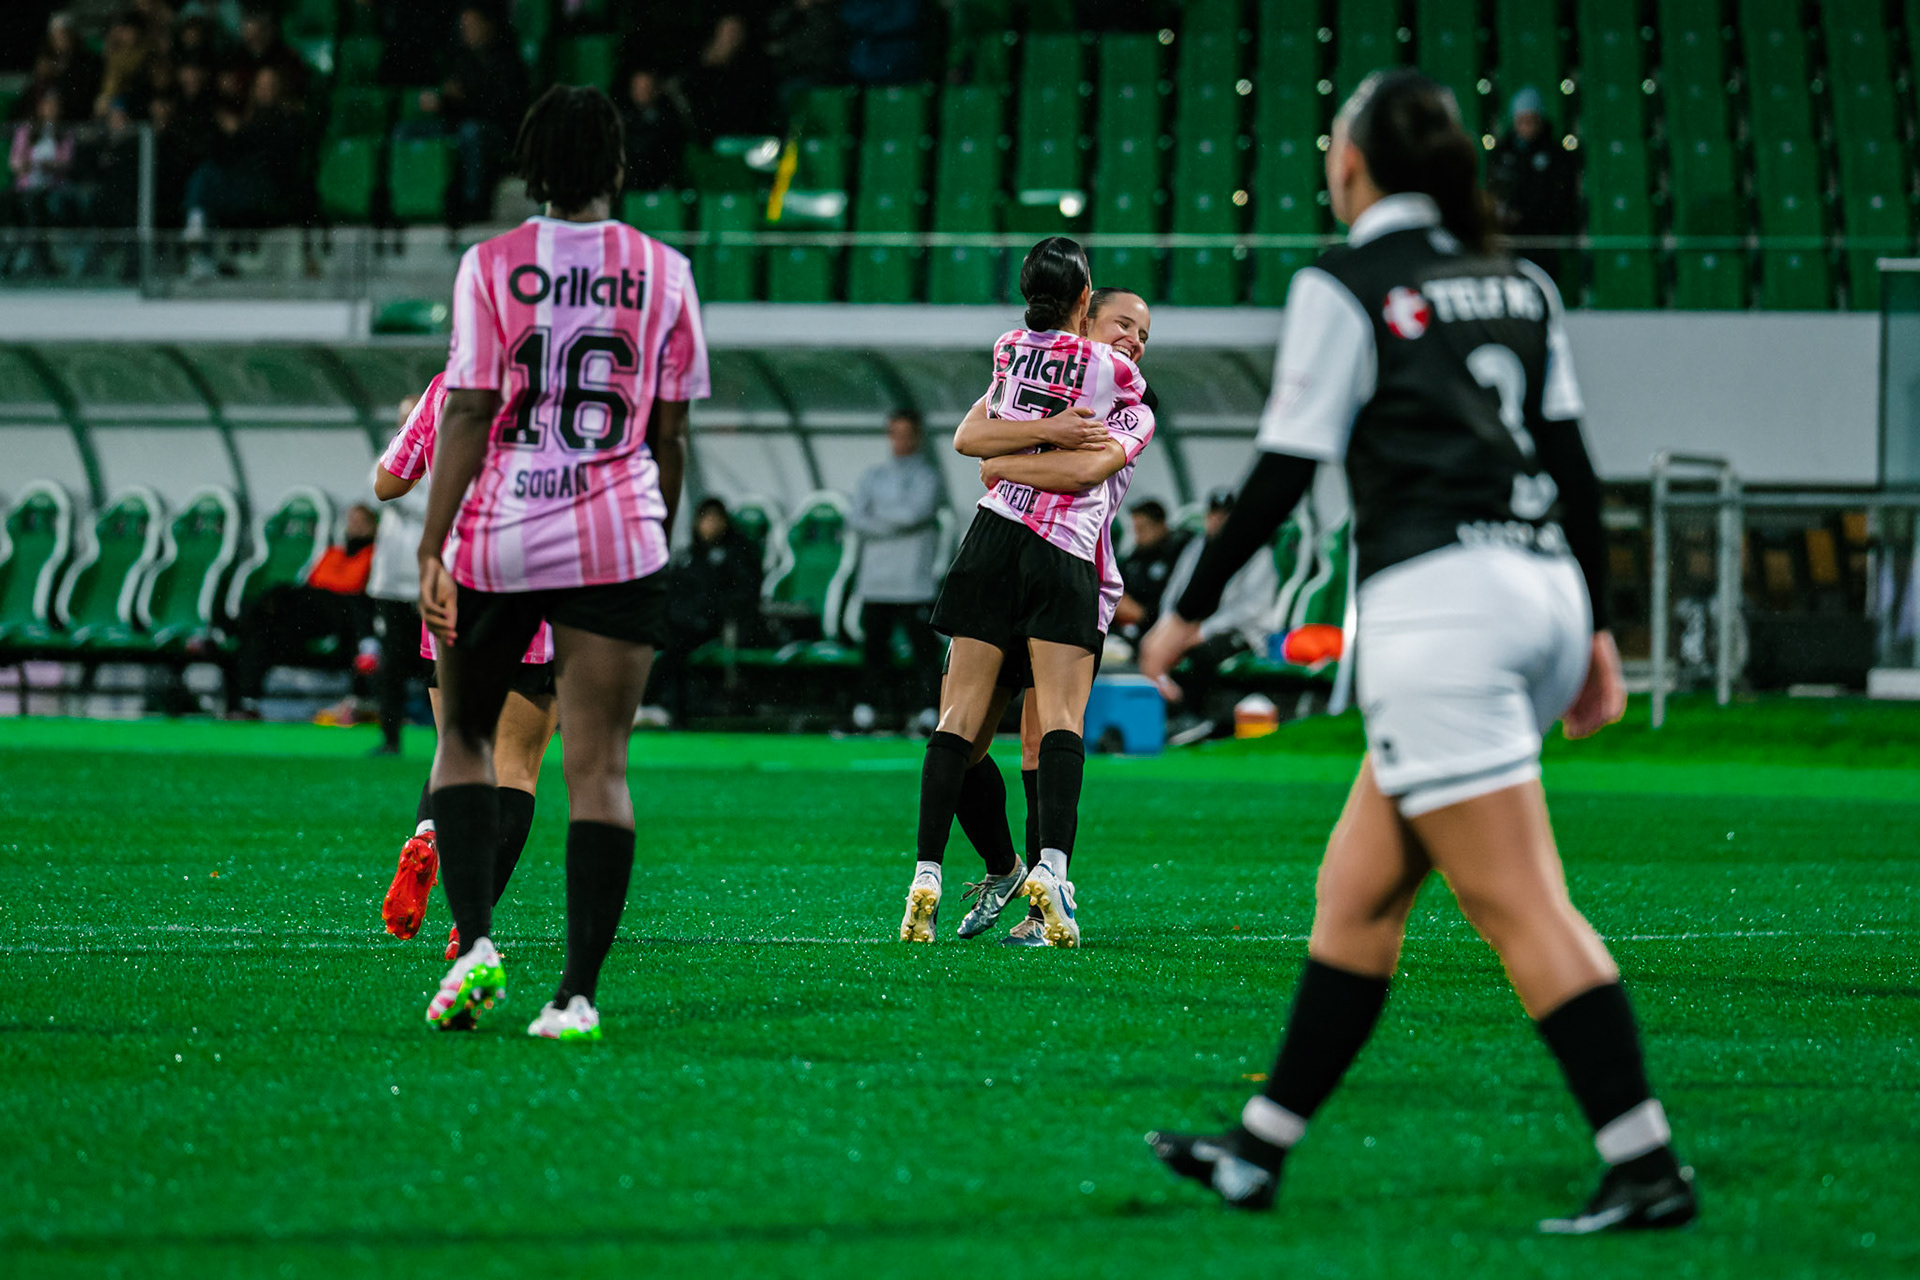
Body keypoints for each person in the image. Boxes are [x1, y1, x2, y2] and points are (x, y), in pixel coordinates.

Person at [1137, 70, 1695, 1234]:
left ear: (1354, 165)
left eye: (1334, 144)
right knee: (1356, 890)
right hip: (1535, 588)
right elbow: (1577, 471)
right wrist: (1595, 630)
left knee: (1524, 907)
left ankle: (1645, 1163)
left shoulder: (1343, 282)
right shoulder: (1522, 282)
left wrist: (1184, 608)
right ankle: (1258, 1148)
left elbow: (1287, 468)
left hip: (1444, 614)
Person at [416, 84, 709, 1042]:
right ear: (618, 166)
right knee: (600, 767)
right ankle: (576, 996)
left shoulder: (490, 265)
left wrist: (433, 542)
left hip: (502, 525)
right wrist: (653, 523)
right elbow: (671, 429)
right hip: (619, 531)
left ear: (530, 166)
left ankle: (474, 944)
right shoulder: (664, 271)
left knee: (463, 735)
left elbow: (465, 411)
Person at [897, 244, 1152, 949]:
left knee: (1038, 737)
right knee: (968, 736)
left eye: (1144, 334)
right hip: (1025, 553)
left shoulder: (1129, 400)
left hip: (1068, 567)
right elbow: (969, 436)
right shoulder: (1038, 366)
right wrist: (1026, 447)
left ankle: (1043, 908)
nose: (1133, 338)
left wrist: (1007, 462)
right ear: (1084, 311)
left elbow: (1037, 463)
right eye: (1124, 322)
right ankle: (1007, 868)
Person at [373, 374, 560, 963]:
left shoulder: (446, 385)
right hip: (539, 590)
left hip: (457, 587)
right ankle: (468, 925)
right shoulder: (565, 383)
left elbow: (387, 483)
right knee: (516, 769)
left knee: (457, 748)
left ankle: (428, 832)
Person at [223, 503, 379, 719]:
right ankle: (245, 701)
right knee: (261, 628)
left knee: (279, 594)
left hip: (344, 609)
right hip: (312, 610)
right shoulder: (333, 553)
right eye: (352, 521)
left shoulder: (374, 555)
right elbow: (312, 582)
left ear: (374, 528)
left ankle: (234, 623)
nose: (356, 527)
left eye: (362, 522)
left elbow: (360, 588)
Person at [846, 409, 943, 733]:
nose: (899, 441)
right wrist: (893, 520)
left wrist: (877, 518)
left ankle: (929, 710)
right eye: (894, 433)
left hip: (913, 581)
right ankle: (866, 711)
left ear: (917, 436)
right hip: (876, 582)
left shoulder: (929, 476)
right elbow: (856, 517)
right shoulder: (873, 475)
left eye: (906, 433)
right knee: (874, 649)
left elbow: (915, 512)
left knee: (923, 651)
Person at [1157, 489, 1280, 743]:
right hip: (1188, 629)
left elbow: (1248, 610)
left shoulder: (1256, 552)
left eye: (1225, 516)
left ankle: (1195, 718)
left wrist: (1200, 632)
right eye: (1214, 514)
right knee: (1153, 645)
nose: (1218, 521)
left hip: (1243, 633)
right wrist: (1167, 628)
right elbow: (1174, 592)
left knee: (1204, 651)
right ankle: (1167, 716)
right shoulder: (1196, 548)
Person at [394, 4, 529, 224]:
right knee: (407, 131)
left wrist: (464, 99)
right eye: (464, 26)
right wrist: (441, 101)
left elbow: (506, 109)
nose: (468, 31)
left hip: (497, 133)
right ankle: (415, 202)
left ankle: (472, 204)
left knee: (471, 134)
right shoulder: (461, 59)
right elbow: (453, 102)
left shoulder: (508, 61)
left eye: (473, 25)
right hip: (459, 122)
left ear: (488, 26)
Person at [648, 496, 764, 727]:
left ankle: (657, 705)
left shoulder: (739, 553)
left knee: (673, 648)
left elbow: (744, 593)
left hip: (714, 626)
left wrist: (711, 612)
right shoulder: (690, 555)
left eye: (714, 519)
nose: (709, 525)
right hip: (680, 622)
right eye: (705, 519)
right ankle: (656, 706)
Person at [1487, 86, 1577, 284]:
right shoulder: (1502, 153)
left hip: (1542, 244)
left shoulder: (1556, 156)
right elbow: (1493, 190)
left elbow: (1562, 201)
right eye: (1522, 121)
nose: (1526, 127)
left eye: (1531, 121)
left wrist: (1526, 215)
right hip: (1509, 243)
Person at [1113, 497, 1188, 648]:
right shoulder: (1134, 559)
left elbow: (1179, 599)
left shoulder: (1179, 554)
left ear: (1161, 525)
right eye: (1135, 530)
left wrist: (1142, 614)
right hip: (1127, 632)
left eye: (1142, 529)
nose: (1137, 536)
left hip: (1164, 632)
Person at [618, 68, 686, 194]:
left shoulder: (669, 119)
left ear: (656, 89)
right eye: (638, 87)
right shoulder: (622, 120)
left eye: (646, 87)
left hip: (659, 184)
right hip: (630, 186)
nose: (642, 92)